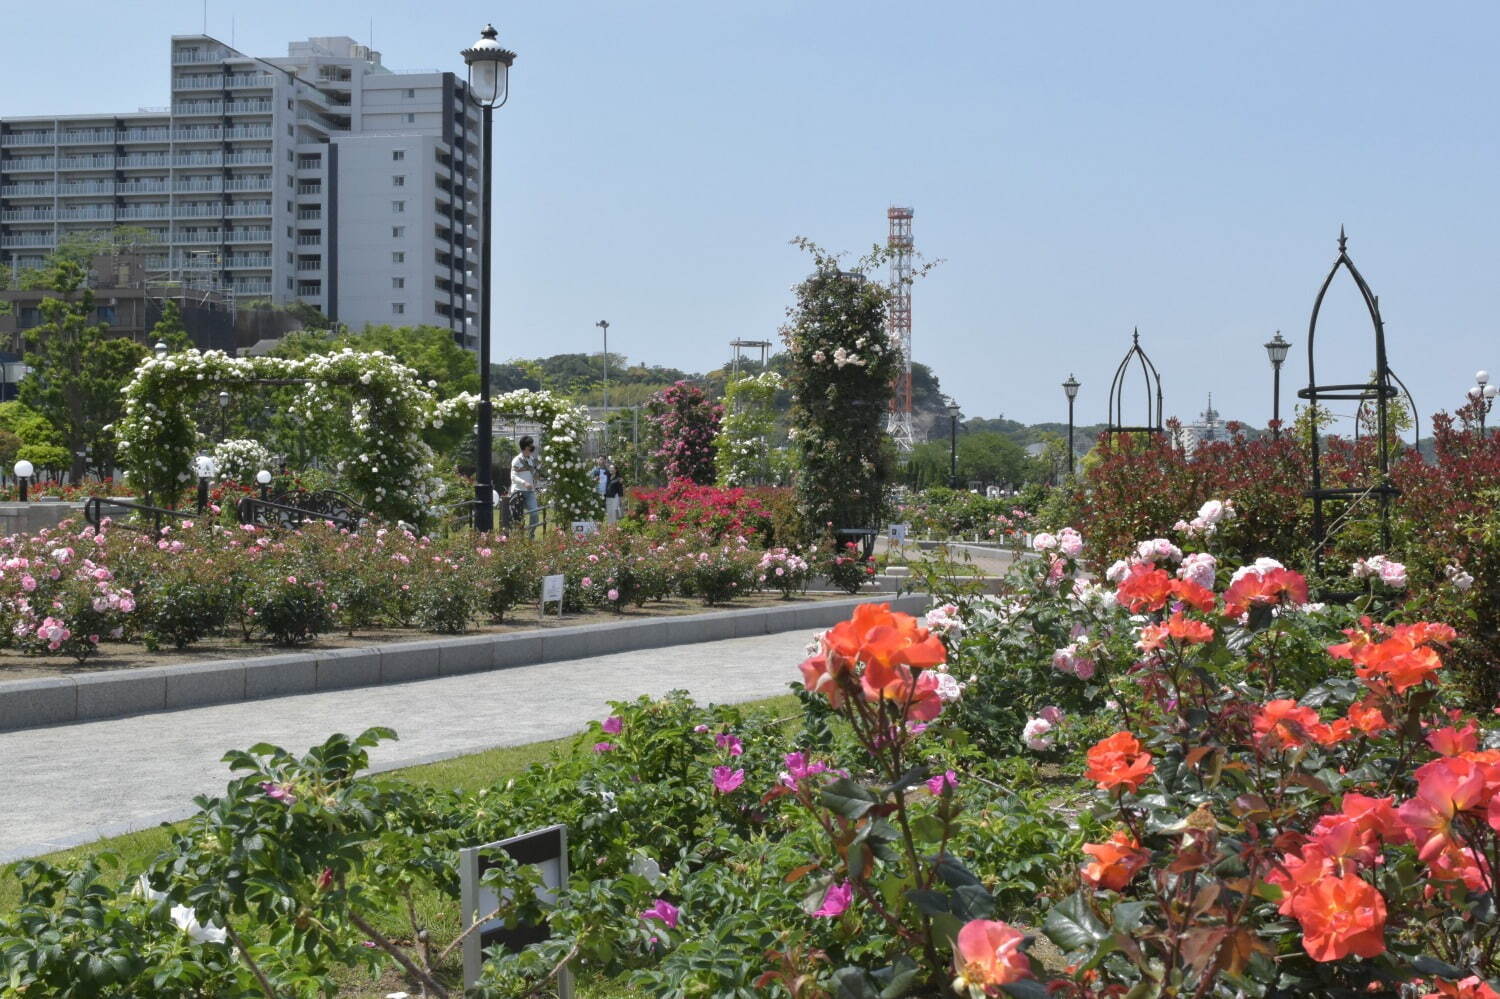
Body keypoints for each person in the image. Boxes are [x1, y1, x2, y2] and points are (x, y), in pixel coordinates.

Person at [509, 436, 540, 533]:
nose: (532, 447)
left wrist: (537, 477)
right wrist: (524, 482)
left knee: (534, 513)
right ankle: (518, 536)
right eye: (531, 445)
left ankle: (531, 535)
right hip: (518, 492)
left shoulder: (532, 459)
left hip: (530, 492)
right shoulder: (517, 460)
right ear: (526, 447)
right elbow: (513, 476)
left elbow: (533, 474)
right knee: (518, 516)